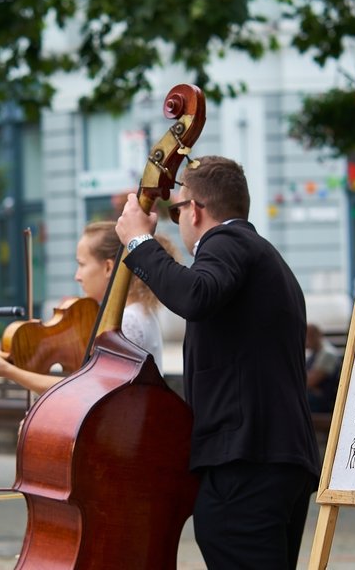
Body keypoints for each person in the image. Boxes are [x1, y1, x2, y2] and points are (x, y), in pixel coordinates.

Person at [116, 155, 321, 569]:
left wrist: (139, 242)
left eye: (176, 212)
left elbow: (195, 294)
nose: (178, 221)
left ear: (194, 209)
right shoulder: (264, 256)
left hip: (247, 462)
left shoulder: (228, 241)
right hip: (273, 458)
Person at [0, 220, 177, 394]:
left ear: (108, 267)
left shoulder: (126, 320)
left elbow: (84, 390)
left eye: (82, 264)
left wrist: (8, 371)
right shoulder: (137, 312)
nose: (77, 276)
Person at [305, 323, 342, 413]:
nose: (306, 340)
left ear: (318, 335)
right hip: (313, 394)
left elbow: (311, 381)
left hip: (324, 401)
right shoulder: (312, 354)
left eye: (310, 336)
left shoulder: (327, 354)